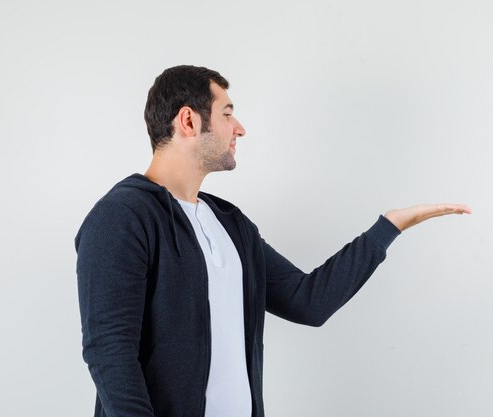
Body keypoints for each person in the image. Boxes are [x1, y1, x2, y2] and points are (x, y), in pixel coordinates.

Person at [74, 64, 471, 417]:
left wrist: (388, 227)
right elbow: (109, 351)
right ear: (189, 121)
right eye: (227, 113)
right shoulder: (122, 216)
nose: (240, 128)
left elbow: (308, 301)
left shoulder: (231, 225)